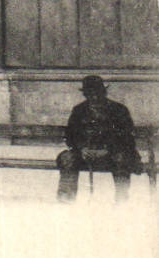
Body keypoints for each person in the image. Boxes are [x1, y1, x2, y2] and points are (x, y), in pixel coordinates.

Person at [57, 75, 142, 203]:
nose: (95, 97)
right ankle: (65, 202)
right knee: (67, 158)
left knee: (122, 159)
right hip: (85, 156)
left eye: (98, 93)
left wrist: (108, 150)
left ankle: (122, 202)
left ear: (104, 92)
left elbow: (126, 138)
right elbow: (70, 135)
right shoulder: (79, 110)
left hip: (111, 154)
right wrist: (82, 149)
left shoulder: (119, 110)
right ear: (85, 94)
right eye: (90, 94)